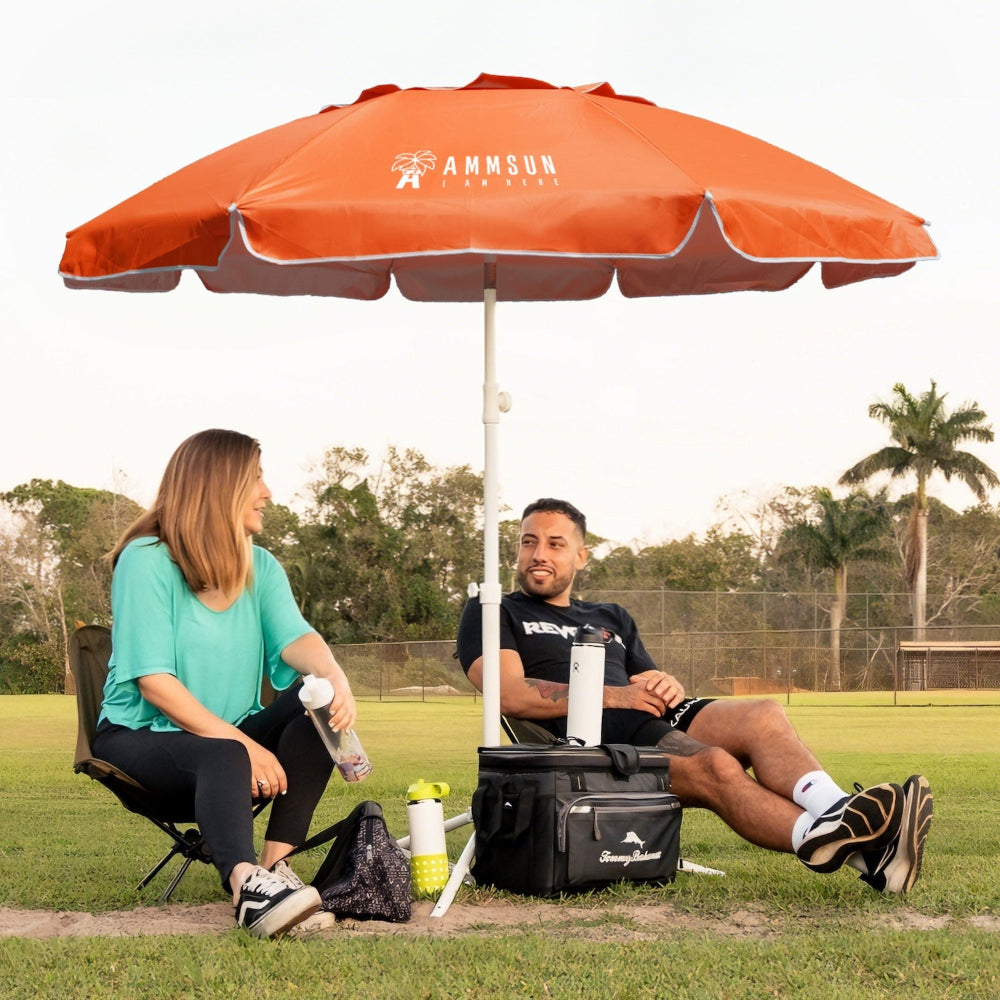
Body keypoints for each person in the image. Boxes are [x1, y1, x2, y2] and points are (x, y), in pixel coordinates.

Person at [457, 498, 933, 894]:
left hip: (645, 717)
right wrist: (614, 697)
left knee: (764, 714)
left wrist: (664, 682)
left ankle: (839, 815)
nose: (539, 553)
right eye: (528, 542)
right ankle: (849, 843)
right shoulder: (495, 609)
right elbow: (508, 694)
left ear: (581, 556)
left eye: (555, 543)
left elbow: (646, 680)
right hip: (587, 743)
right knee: (716, 766)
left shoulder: (611, 615)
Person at [93, 429, 357, 938]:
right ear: (219, 485)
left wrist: (333, 676)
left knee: (316, 705)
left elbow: (297, 638)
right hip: (138, 739)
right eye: (256, 478)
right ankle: (246, 888)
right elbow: (154, 683)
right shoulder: (146, 559)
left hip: (225, 740)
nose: (267, 492)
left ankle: (275, 871)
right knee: (226, 752)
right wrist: (243, 744)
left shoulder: (260, 565)